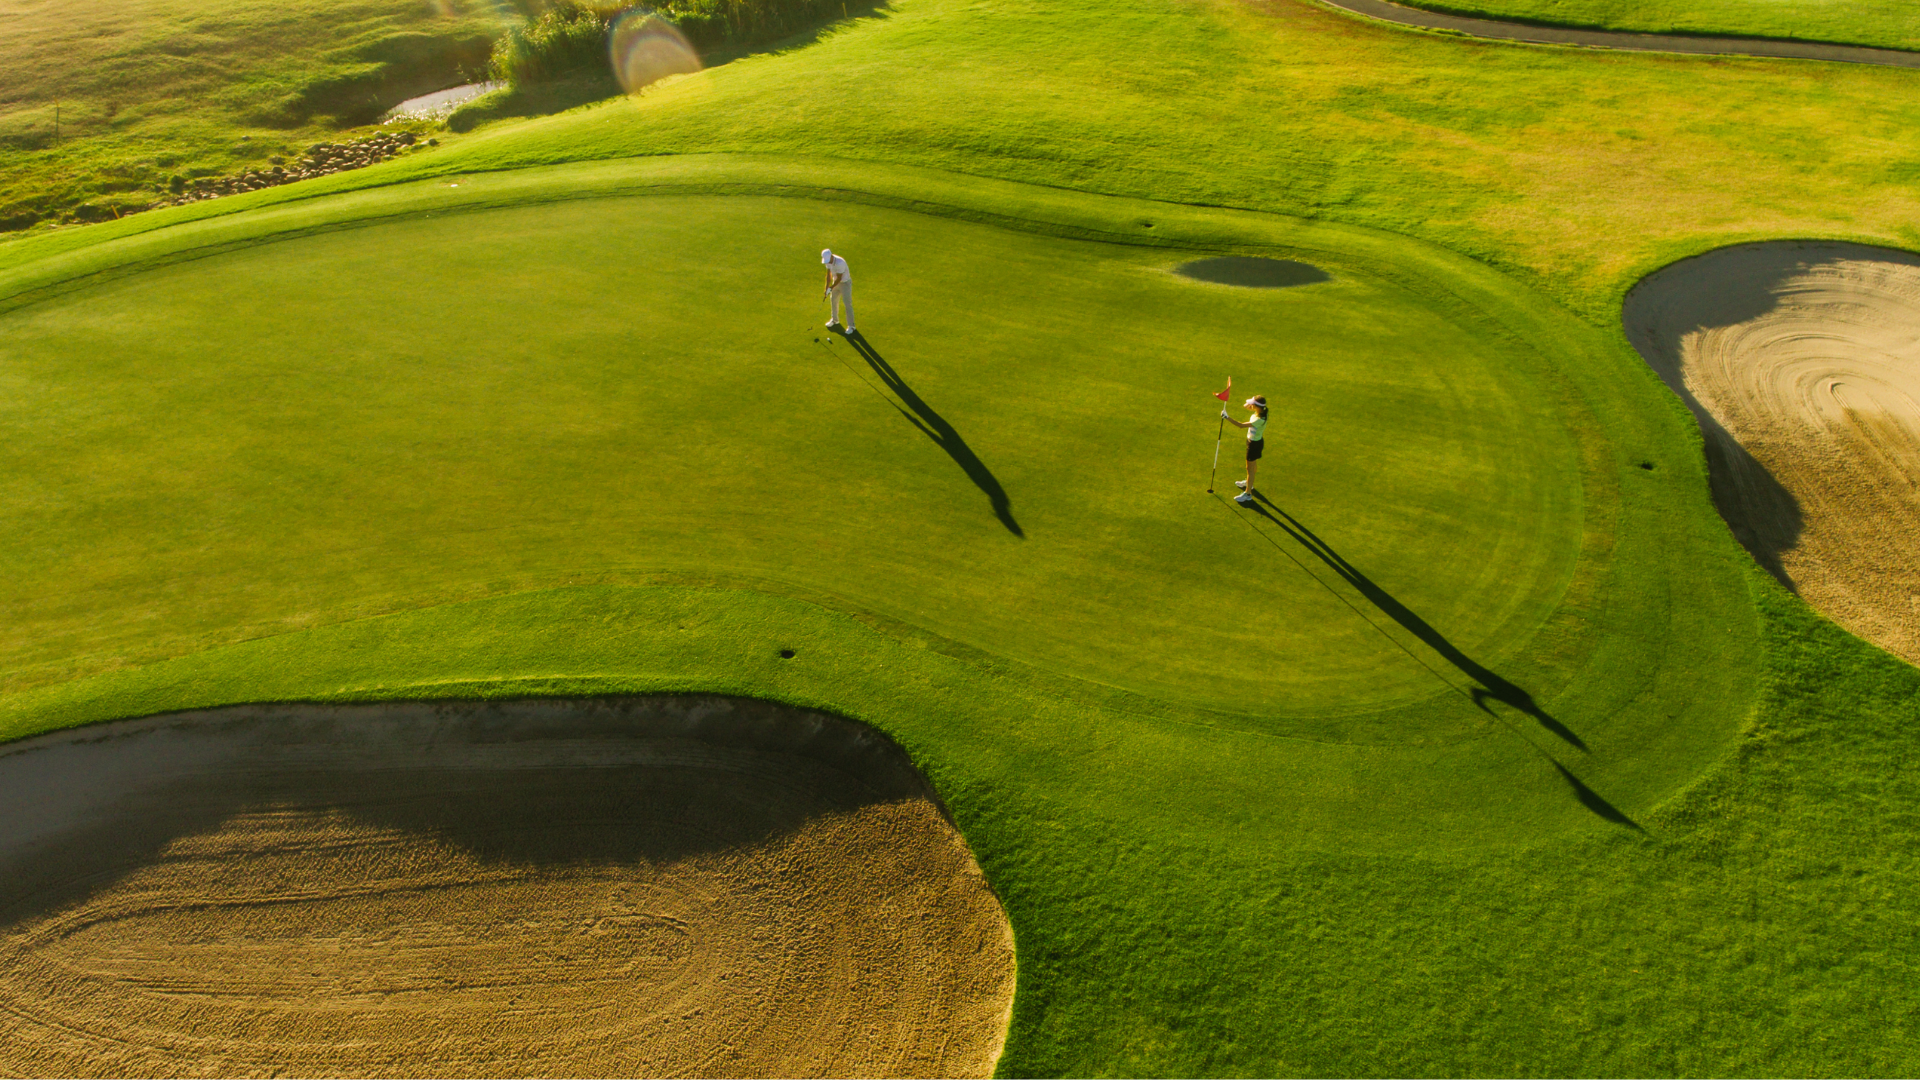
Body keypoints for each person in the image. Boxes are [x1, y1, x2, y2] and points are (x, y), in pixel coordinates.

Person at [1222, 395, 1267, 505]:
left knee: (1249, 469)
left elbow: (1241, 425)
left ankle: (1248, 494)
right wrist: (1250, 403)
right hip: (1253, 442)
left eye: (1253, 404)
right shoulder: (1259, 413)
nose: (1250, 405)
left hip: (1254, 444)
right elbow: (1246, 406)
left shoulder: (1260, 419)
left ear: (1257, 406)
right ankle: (1248, 483)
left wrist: (1227, 417)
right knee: (1252, 465)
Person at [821, 248, 854, 333]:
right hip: (835, 283)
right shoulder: (828, 262)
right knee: (833, 301)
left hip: (845, 283)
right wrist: (826, 289)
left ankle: (851, 326)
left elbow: (839, 278)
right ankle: (835, 320)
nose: (827, 262)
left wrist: (831, 288)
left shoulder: (840, 263)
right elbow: (828, 275)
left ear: (831, 256)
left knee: (847, 304)